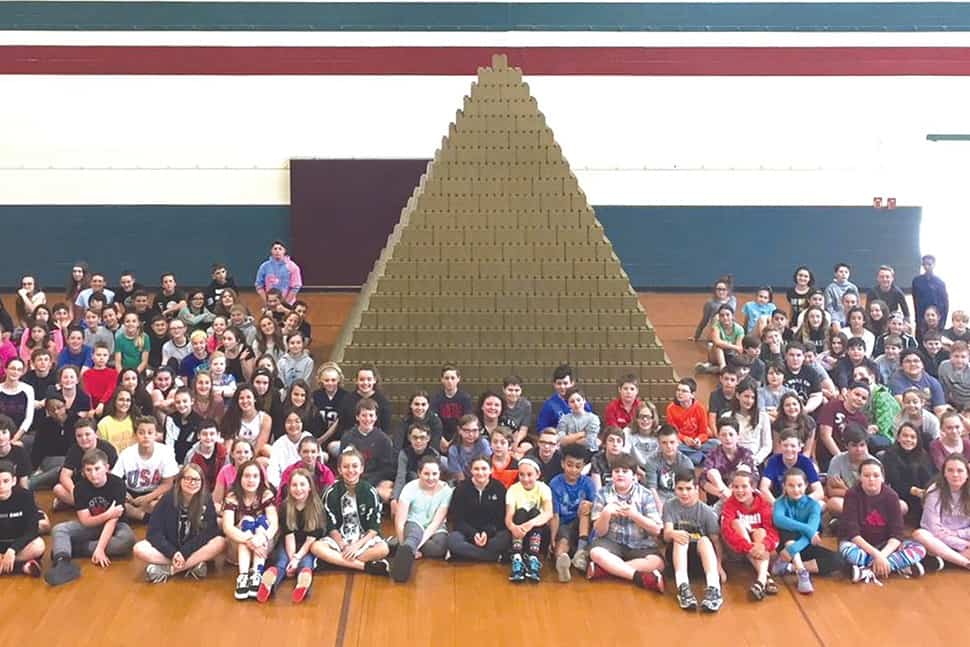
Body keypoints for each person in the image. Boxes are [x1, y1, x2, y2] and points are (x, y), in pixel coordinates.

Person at [44, 448, 136, 586]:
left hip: (115, 526)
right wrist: (108, 514)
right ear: (83, 471)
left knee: (127, 540)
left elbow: (113, 520)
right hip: (92, 524)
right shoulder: (80, 488)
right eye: (88, 470)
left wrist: (100, 549)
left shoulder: (117, 484)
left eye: (97, 469)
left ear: (107, 468)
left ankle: (71, 549)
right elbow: (85, 521)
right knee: (59, 529)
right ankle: (62, 562)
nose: (93, 474)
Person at [838, 458, 928, 583]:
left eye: (876, 475)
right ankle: (898, 566)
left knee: (920, 549)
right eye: (866, 475)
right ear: (860, 478)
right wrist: (877, 555)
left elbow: (897, 534)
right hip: (860, 545)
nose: (871, 479)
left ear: (883, 478)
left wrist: (882, 555)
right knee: (847, 552)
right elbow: (853, 534)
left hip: (885, 545)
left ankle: (867, 571)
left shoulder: (891, 496)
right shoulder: (852, 495)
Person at [133, 463, 226, 583]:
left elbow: (208, 533)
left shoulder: (206, 499)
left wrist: (184, 553)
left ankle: (169, 570)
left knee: (221, 542)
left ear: (202, 483)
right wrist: (173, 553)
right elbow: (153, 533)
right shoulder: (167, 499)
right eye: (187, 479)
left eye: (196, 480)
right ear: (179, 480)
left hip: (192, 548)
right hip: (171, 549)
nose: (192, 483)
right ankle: (192, 565)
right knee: (139, 548)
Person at [586, 453, 665, 593]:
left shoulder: (645, 495)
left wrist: (635, 516)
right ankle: (638, 577)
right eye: (616, 471)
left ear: (634, 476)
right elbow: (599, 531)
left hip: (640, 544)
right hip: (611, 541)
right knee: (596, 553)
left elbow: (656, 530)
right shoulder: (602, 494)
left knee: (658, 563)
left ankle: (606, 570)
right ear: (612, 475)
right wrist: (606, 514)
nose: (620, 475)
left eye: (625, 471)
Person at [310, 448, 390, 575]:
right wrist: (343, 545)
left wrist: (356, 546)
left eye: (355, 466)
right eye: (346, 467)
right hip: (339, 539)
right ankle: (365, 566)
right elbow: (330, 525)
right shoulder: (331, 492)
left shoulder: (370, 492)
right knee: (316, 547)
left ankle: (334, 561)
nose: (351, 470)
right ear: (340, 470)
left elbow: (374, 528)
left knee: (383, 549)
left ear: (361, 468)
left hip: (362, 539)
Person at [258, 469, 324, 603]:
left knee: (306, 563)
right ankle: (269, 580)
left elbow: (311, 539)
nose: (298, 489)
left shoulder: (317, 507)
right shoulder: (285, 507)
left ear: (310, 487)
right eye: (294, 485)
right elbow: (289, 535)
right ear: (289, 487)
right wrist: (291, 559)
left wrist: (296, 558)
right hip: (288, 544)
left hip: (307, 545)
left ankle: (303, 582)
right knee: (282, 562)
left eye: (302, 485)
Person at [663, 469, 725, 612]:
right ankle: (683, 587)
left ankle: (713, 588)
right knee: (681, 538)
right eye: (680, 489)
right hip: (677, 556)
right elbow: (666, 535)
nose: (684, 493)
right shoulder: (669, 506)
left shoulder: (707, 512)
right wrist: (673, 533)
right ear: (674, 489)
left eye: (688, 489)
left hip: (700, 560)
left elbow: (716, 542)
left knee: (704, 540)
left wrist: (719, 565)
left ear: (696, 489)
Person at [772, 468, 841, 594]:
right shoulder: (779, 503)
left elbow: (812, 529)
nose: (796, 489)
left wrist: (792, 549)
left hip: (796, 548)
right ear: (784, 486)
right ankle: (801, 573)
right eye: (791, 485)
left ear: (806, 485)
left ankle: (789, 567)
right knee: (788, 529)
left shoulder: (813, 505)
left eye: (799, 485)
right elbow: (778, 520)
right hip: (785, 545)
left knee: (838, 559)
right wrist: (808, 530)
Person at [222, 460, 279, 600]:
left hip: (262, 544)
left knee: (261, 523)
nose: (251, 480)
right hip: (239, 546)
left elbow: (274, 523)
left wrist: (261, 539)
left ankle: (256, 574)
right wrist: (249, 540)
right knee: (247, 522)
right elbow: (227, 527)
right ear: (240, 477)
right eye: (246, 476)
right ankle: (243, 576)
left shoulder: (265, 494)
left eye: (255, 476)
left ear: (261, 479)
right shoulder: (232, 496)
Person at [391, 455, 452, 583]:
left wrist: (416, 547)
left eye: (435, 474)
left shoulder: (446, 491)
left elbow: (436, 522)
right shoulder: (410, 488)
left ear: (440, 474)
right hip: (415, 523)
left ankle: (405, 547)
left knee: (439, 548)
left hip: (436, 528)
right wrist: (404, 543)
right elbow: (400, 519)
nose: (431, 478)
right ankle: (404, 552)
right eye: (426, 474)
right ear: (419, 473)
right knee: (413, 535)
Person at [720, 470, 779, 601]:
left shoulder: (764, 504)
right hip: (738, 549)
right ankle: (765, 577)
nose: (739, 491)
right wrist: (748, 547)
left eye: (744, 486)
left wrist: (763, 546)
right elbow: (727, 531)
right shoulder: (729, 504)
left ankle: (762, 580)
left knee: (761, 532)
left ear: (753, 487)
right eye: (736, 487)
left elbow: (773, 532)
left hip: (761, 551)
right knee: (736, 523)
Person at [112, 416, 178, 521]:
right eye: (141, 433)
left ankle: (140, 515)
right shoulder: (126, 454)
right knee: (119, 504)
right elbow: (114, 479)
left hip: (155, 492)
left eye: (150, 432)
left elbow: (168, 483)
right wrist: (125, 493)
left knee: (163, 502)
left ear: (156, 435)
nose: (146, 436)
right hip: (131, 493)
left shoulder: (166, 452)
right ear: (135, 435)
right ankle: (147, 518)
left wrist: (148, 498)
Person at [446, 456, 511, 562]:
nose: (480, 473)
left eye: (484, 469)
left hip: (491, 535)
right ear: (471, 470)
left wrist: (486, 532)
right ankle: (492, 557)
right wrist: (473, 534)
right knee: (452, 541)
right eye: (476, 469)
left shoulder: (499, 488)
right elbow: (457, 519)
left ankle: (468, 555)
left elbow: (501, 519)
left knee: (506, 537)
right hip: (467, 534)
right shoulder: (461, 488)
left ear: (491, 470)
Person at [912, 453, 970, 569]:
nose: (955, 474)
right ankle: (965, 563)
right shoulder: (934, 491)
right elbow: (933, 529)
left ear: (967, 474)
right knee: (920, 535)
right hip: (939, 540)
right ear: (944, 473)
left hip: (963, 538)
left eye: (960, 471)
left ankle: (947, 559)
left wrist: (958, 534)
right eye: (950, 470)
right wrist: (964, 546)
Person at [548, 443, 596, 582]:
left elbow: (597, 506)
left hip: (583, 524)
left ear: (583, 467)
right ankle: (562, 563)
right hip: (564, 524)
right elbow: (555, 514)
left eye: (578, 466)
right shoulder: (555, 483)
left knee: (586, 505)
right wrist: (552, 538)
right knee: (562, 544)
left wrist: (590, 505)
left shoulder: (587, 483)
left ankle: (581, 551)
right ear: (563, 464)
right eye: (570, 465)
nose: (573, 470)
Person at [505, 458, 553, 583]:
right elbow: (509, 516)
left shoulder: (544, 488)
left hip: (537, 533)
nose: (525, 479)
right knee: (520, 512)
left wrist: (530, 524)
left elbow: (548, 513)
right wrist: (513, 527)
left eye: (529, 475)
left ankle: (533, 558)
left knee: (535, 513)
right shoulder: (513, 489)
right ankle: (517, 558)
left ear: (537, 474)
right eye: (522, 475)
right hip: (518, 533)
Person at [339, 399, 395, 502]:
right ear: (357, 417)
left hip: (376, 478)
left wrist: (370, 480)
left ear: (376, 417)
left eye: (371, 415)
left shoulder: (384, 440)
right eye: (364, 415)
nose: (367, 419)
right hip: (353, 476)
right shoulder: (347, 437)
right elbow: (342, 462)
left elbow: (387, 469)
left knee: (386, 494)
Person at [881, 422, 935, 521]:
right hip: (900, 495)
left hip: (921, 495)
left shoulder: (923, 455)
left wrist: (927, 492)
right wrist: (914, 490)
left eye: (913, 437)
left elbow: (929, 478)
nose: (908, 440)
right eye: (905, 436)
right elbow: (894, 482)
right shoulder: (890, 455)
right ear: (898, 438)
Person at [760, 430, 824, 504]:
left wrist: (801, 503)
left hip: (801, 501)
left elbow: (819, 492)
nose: (789, 449)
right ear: (780, 446)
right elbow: (763, 488)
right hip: (778, 500)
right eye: (785, 445)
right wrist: (776, 505)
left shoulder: (806, 462)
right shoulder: (773, 461)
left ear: (799, 448)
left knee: (821, 504)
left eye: (793, 446)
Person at [702, 418, 757, 503]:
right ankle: (730, 500)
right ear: (718, 436)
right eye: (723, 435)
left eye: (731, 434)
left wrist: (734, 493)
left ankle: (732, 499)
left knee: (744, 469)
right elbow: (703, 481)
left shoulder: (746, 453)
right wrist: (723, 493)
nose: (727, 438)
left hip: (743, 496)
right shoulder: (712, 455)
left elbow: (755, 478)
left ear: (738, 436)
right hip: (719, 498)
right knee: (712, 473)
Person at [825, 424, 875, 517]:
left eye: (862, 445)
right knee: (833, 503)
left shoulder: (874, 464)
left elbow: (872, 495)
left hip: (869, 504)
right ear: (846, 445)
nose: (859, 449)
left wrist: (844, 488)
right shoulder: (837, 460)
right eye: (854, 445)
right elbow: (831, 491)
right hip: (848, 503)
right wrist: (855, 494)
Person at [391, 423, 440, 517]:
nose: (418, 441)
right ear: (409, 438)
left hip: (428, 487)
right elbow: (400, 476)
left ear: (428, 438)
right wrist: (394, 499)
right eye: (415, 437)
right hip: (410, 487)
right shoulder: (404, 453)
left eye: (422, 437)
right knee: (412, 476)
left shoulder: (434, 454)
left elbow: (436, 479)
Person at [665, 378, 714, 466]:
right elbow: (673, 432)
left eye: (684, 391)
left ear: (692, 395)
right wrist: (684, 439)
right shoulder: (670, 408)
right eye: (678, 390)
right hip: (681, 443)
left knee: (717, 444)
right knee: (673, 447)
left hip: (697, 443)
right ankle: (701, 457)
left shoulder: (700, 408)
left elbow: (703, 433)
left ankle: (694, 457)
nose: (679, 393)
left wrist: (698, 440)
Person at [644, 424, 694, 511]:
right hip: (659, 496)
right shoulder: (652, 461)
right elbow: (652, 488)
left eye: (672, 442)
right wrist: (659, 505)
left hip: (680, 496)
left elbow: (689, 488)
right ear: (658, 444)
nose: (669, 446)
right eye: (664, 443)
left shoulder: (686, 463)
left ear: (678, 442)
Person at [275, 436, 335, 505]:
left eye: (313, 452)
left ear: (318, 453)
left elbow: (332, 498)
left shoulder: (326, 472)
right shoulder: (289, 471)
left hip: (319, 509)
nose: (309, 455)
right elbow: (281, 499)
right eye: (305, 452)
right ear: (299, 452)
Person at [535, 364, 591, 433]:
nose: (562, 387)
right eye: (559, 383)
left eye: (565, 383)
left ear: (572, 383)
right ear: (554, 384)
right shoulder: (549, 405)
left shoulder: (581, 402)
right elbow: (541, 429)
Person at [729, 379, 772, 466]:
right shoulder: (727, 416)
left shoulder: (763, 417)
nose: (749, 401)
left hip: (755, 462)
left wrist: (755, 460)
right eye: (746, 396)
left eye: (752, 397)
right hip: (733, 462)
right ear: (738, 395)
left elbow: (767, 446)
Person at [430, 364, 473, 448]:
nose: (449, 381)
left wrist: (453, 442)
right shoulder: (436, 399)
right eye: (446, 378)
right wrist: (442, 440)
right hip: (441, 439)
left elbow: (467, 422)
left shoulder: (465, 398)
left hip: (460, 438)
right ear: (442, 380)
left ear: (458, 379)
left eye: (452, 378)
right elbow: (433, 422)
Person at [267, 411, 313, 488]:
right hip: (285, 486)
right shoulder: (278, 444)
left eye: (297, 421)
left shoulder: (309, 439)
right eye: (289, 422)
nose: (293, 425)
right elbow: (272, 472)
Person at [183, 420, 227, 492]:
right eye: (204, 434)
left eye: (212, 434)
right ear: (198, 436)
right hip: (196, 491)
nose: (208, 437)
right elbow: (187, 477)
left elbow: (227, 478)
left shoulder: (224, 453)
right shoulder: (191, 455)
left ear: (218, 435)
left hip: (220, 491)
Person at [213, 439, 255, 513]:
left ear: (251, 454)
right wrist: (227, 514)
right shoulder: (225, 471)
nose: (243, 455)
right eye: (238, 452)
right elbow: (216, 502)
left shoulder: (259, 469)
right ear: (232, 454)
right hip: (230, 511)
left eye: (246, 452)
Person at [0, 358, 35, 447]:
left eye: (19, 370)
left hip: (21, 434)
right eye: (12, 368)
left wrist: (15, 439)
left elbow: (28, 419)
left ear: (22, 372)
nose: (15, 372)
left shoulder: (28, 389)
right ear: (5, 369)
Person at [690, 276, 736, 343]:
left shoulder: (733, 300)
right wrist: (696, 336)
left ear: (728, 290)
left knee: (728, 315)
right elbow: (704, 321)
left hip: (730, 327)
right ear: (715, 290)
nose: (721, 292)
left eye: (724, 289)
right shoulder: (710, 303)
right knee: (718, 317)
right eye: (719, 289)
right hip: (716, 329)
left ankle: (731, 337)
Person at [255, 240, 302, 305]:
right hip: (270, 304)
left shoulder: (293, 267)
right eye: (275, 249)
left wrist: (285, 303)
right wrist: (267, 301)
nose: (277, 251)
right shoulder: (264, 266)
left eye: (280, 249)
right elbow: (258, 285)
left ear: (284, 251)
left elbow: (296, 287)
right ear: (271, 251)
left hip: (288, 304)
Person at [447, 413, 491, 481]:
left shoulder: (483, 444)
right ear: (459, 430)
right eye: (467, 430)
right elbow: (459, 476)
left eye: (474, 430)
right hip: (464, 482)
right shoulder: (454, 450)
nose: (471, 434)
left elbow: (488, 467)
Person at [781, 342, 824, 414]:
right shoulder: (780, 371)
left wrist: (806, 409)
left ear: (803, 357)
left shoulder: (811, 372)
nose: (795, 358)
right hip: (784, 411)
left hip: (806, 411)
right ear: (786, 356)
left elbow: (817, 395)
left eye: (798, 355)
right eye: (791, 355)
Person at [912, 254, 948, 335]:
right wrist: (918, 319)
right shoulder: (916, 281)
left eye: (929, 264)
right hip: (921, 317)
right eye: (924, 264)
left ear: (934, 265)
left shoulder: (940, 282)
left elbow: (945, 304)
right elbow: (915, 301)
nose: (927, 266)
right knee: (920, 339)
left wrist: (942, 322)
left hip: (935, 318)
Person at [556, 387, 601, 454]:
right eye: (572, 401)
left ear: (584, 400)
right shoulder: (564, 419)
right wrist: (581, 434)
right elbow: (560, 441)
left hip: (589, 454)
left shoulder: (593, 418)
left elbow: (590, 441)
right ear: (568, 404)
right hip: (568, 454)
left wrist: (570, 439)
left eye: (578, 400)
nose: (576, 404)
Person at [97, 387, 138, 452]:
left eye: (128, 400)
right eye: (121, 400)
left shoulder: (136, 420)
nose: (125, 403)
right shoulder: (103, 424)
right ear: (114, 401)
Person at [624, 401, 659, 469]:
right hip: (635, 469)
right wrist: (638, 472)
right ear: (636, 418)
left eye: (648, 417)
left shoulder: (660, 432)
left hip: (656, 469)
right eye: (641, 416)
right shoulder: (627, 432)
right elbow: (625, 456)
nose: (645, 420)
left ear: (653, 418)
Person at [825, 262, 859, 328]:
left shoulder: (853, 287)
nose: (844, 274)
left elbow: (857, 304)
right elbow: (829, 307)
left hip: (852, 315)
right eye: (841, 272)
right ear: (835, 274)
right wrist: (836, 318)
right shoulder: (830, 288)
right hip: (836, 316)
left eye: (846, 272)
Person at [502, 376, 532, 449]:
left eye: (517, 390)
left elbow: (523, 429)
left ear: (521, 390)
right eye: (510, 390)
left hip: (518, 438)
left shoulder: (526, 405)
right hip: (501, 436)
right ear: (503, 389)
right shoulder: (499, 403)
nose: (513, 393)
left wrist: (515, 442)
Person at [938, 340, 970, 409]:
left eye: (963, 357)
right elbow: (943, 389)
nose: (959, 360)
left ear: (968, 358)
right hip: (953, 402)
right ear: (950, 356)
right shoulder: (943, 367)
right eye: (956, 356)